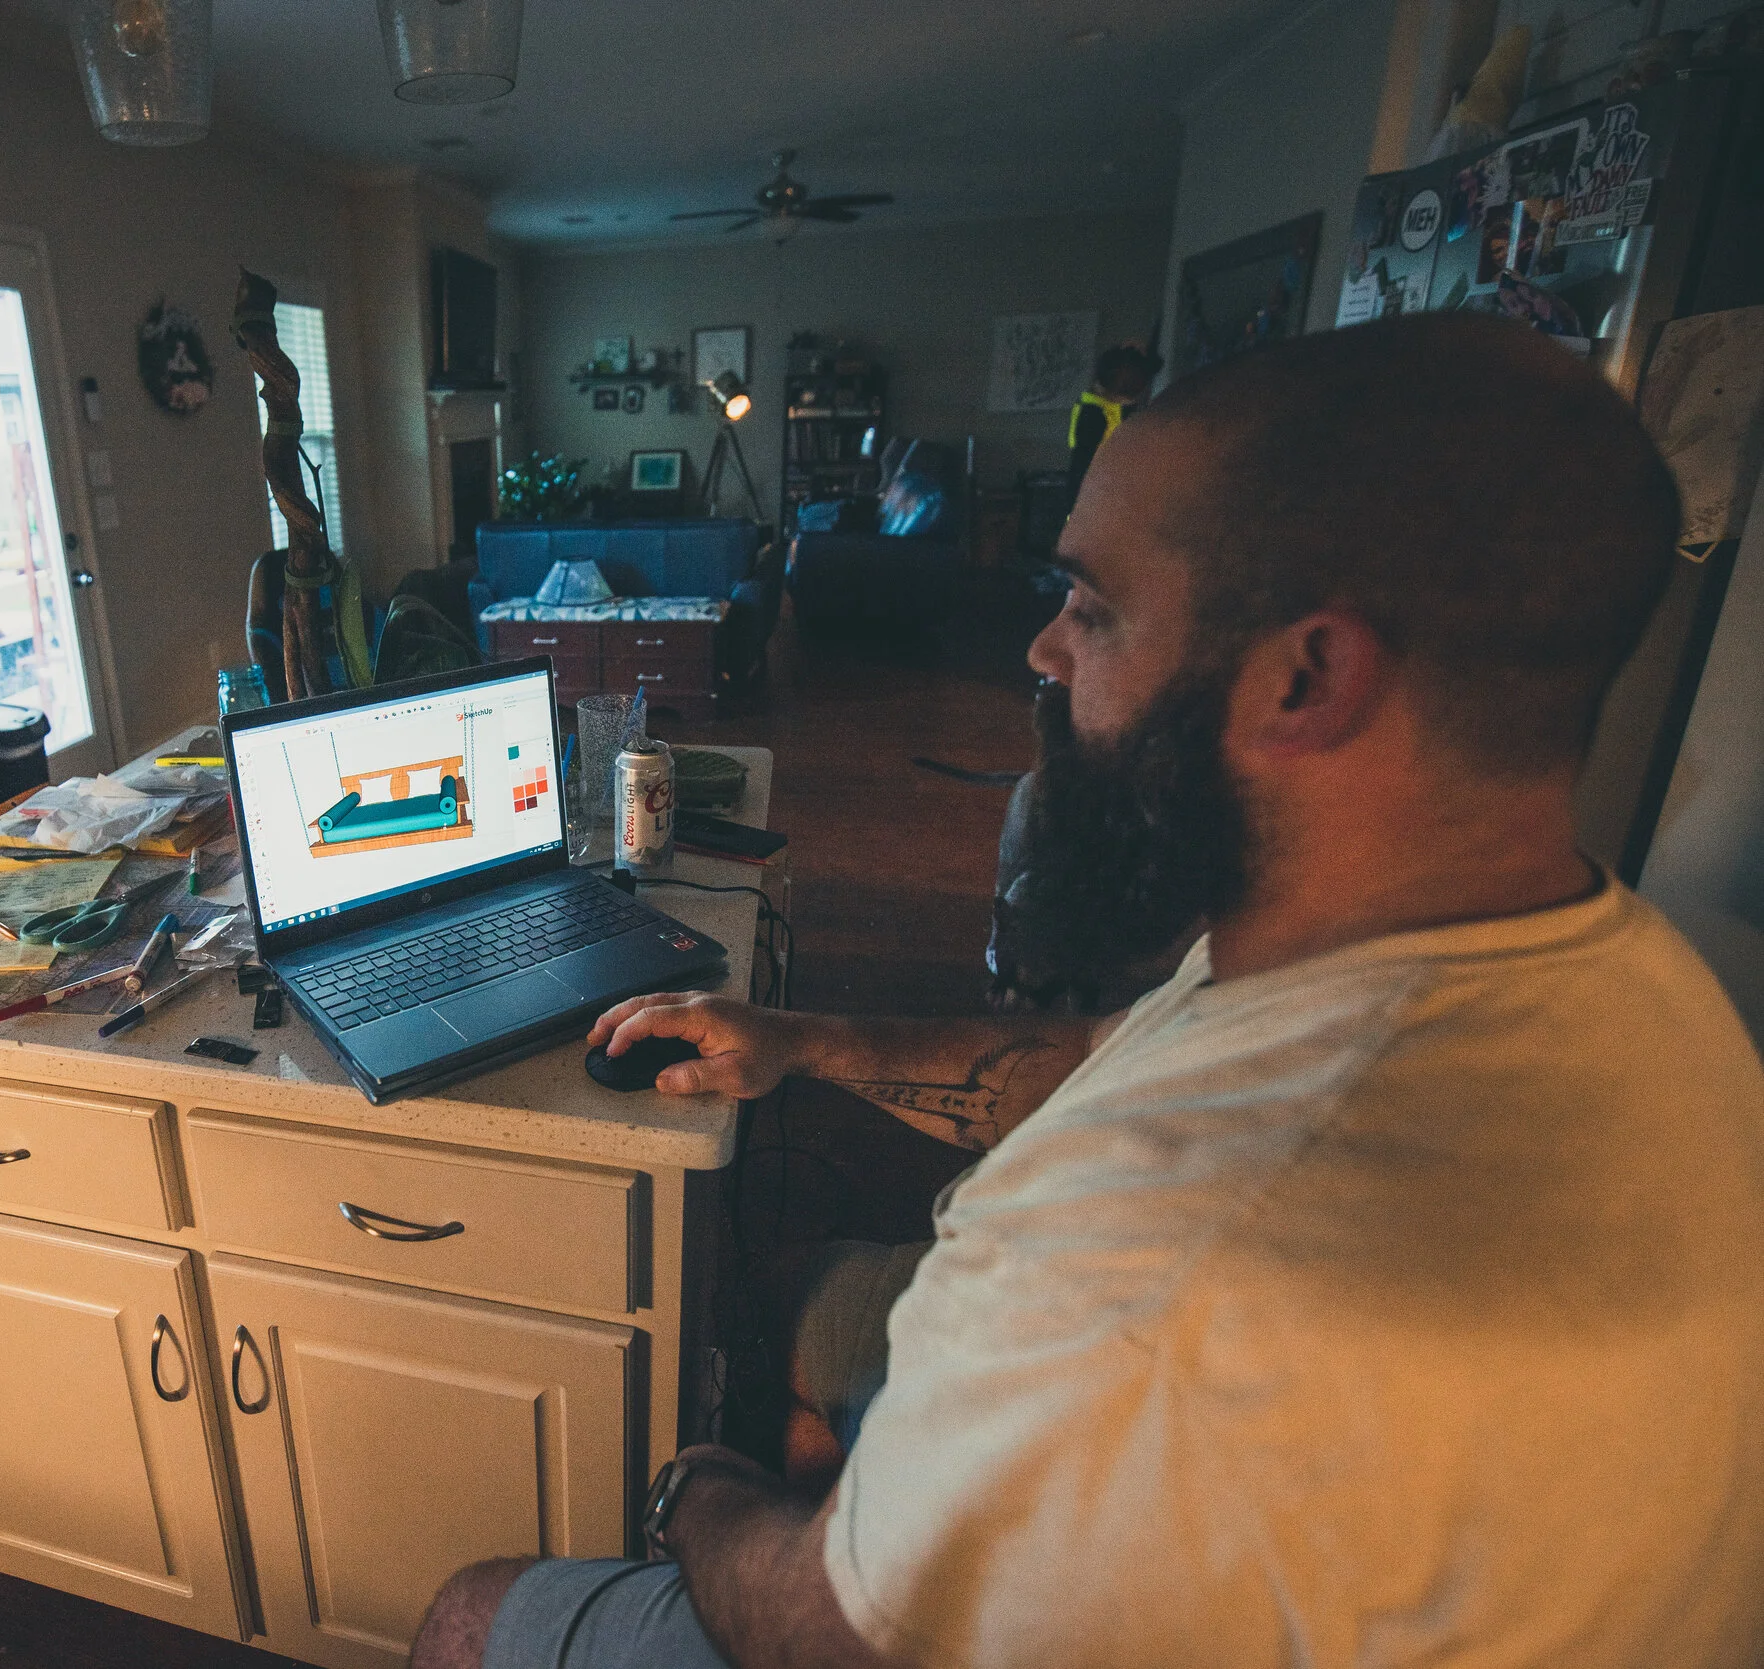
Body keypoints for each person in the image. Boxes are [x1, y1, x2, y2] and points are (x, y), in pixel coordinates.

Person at [409, 312, 1764, 1669]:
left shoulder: (1144, 1250)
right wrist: (801, 1041)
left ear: (1306, 677)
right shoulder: (1617, 975)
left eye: (1094, 606)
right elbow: (1111, 1052)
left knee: (471, 1609)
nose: (1045, 652)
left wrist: (694, 1492)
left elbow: (820, 1632)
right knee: (791, 1289)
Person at [1065, 341, 1161, 505]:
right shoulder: (1093, 415)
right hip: (1093, 500)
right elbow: (1080, 470)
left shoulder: (1107, 405)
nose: (1135, 400)